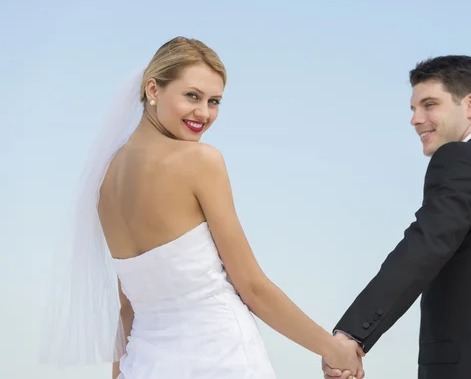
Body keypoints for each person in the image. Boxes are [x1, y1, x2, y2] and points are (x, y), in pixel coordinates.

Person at [40, 36, 364, 379]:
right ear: (153, 89)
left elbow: (127, 310)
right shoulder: (201, 161)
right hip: (221, 359)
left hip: (144, 366)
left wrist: (119, 374)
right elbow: (252, 287)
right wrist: (333, 349)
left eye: (214, 101)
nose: (204, 113)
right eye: (192, 96)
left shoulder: (104, 180)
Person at [322, 55, 471, 379]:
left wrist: (352, 334)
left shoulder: (459, 159)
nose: (415, 119)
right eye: (413, 108)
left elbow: (423, 247)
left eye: (429, 104)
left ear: (470, 104)